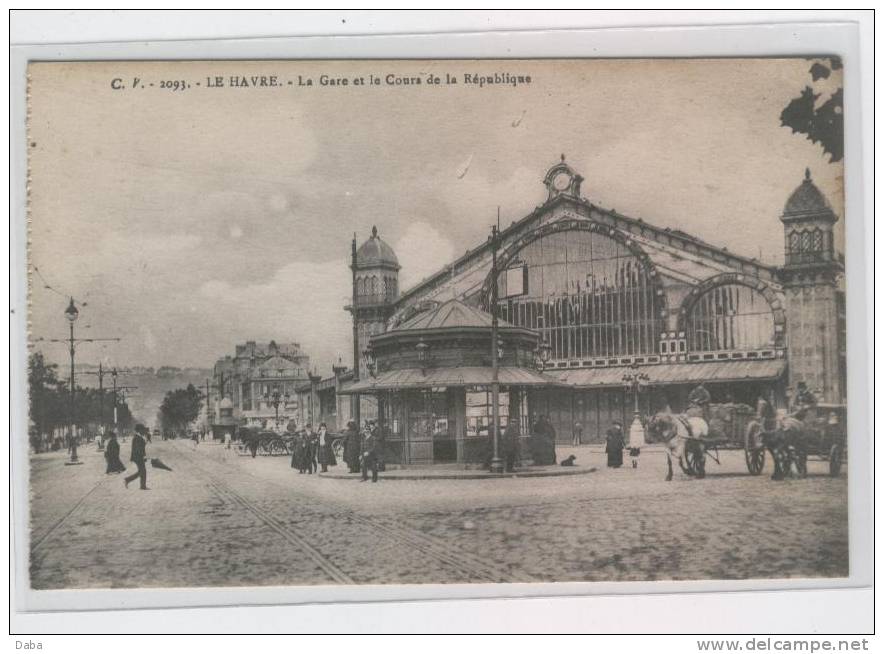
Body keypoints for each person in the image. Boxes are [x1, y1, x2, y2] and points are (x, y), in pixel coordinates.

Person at [124, 424, 149, 490]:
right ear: (139, 430)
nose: (144, 431)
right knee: (142, 471)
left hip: (138, 457)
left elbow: (141, 447)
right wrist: (143, 457)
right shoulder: (137, 438)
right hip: (138, 457)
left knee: (142, 471)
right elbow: (138, 449)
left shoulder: (138, 437)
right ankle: (128, 480)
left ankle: (142, 486)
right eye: (142, 429)